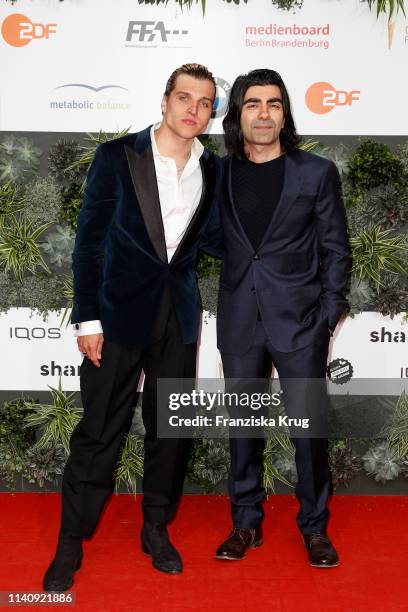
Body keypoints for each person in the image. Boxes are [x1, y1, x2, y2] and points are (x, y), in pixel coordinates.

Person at [43, 63, 223, 591]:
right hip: (116, 316)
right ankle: (69, 544)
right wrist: (88, 317)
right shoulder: (118, 156)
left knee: (171, 432)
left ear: (212, 113)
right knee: (99, 433)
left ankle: (155, 529)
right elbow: (90, 242)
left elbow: (212, 241)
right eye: (185, 98)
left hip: (178, 319)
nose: (193, 109)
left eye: (205, 102)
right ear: (165, 102)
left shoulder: (213, 171)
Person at [215, 69, 351, 567]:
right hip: (239, 322)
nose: (265, 113)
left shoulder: (315, 172)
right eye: (253, 104)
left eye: (274, 104)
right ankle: (245, 523)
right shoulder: (218, 173)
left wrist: (329, 314)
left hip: (301, 324)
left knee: (308, 432)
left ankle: (314, 528)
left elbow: (336, 248)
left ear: (285, 113)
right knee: (243, 428)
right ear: (238, 113)